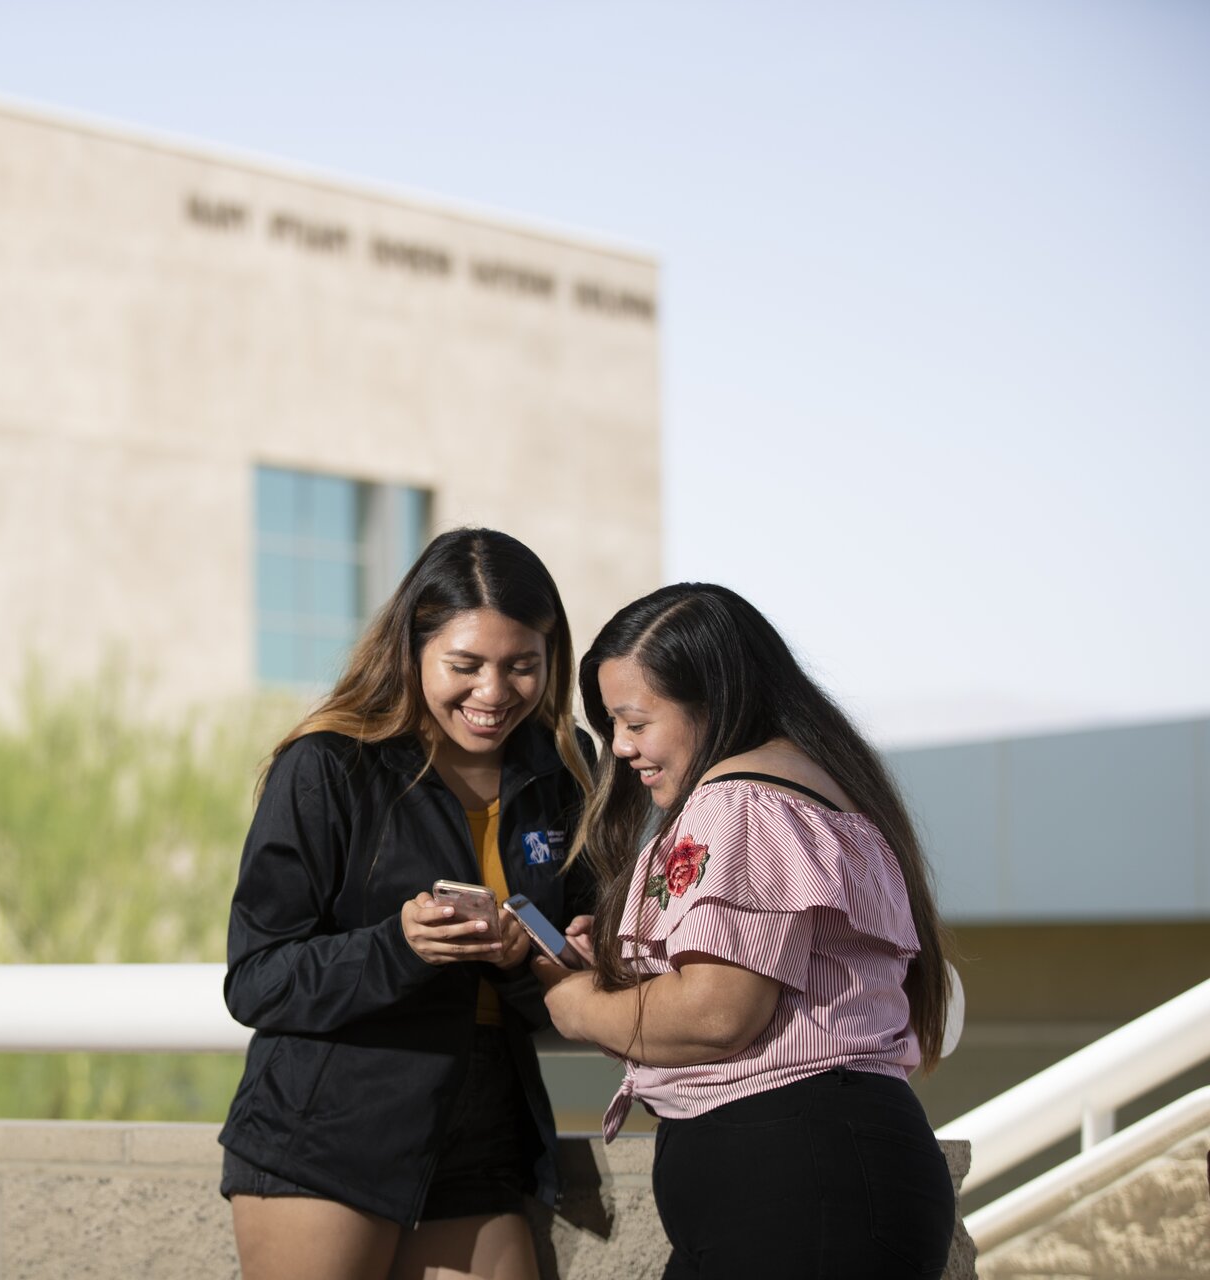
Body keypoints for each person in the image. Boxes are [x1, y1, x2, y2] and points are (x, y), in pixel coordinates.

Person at [534, 583, 959, 1279]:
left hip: (795, 1182)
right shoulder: (813, 789)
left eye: (637, 722)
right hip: (818, 1176)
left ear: (714, 699)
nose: (621, 747)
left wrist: (579, 1004)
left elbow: (716, 1013)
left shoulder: (737, 804)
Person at [220, 527, 597, 1280]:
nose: (494, 694)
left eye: (523, 665)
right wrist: (400, 946)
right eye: (465, 665)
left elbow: (573, 941)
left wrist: (542, 958)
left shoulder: (568, 770)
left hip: (488, 1116)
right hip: (329, 1128)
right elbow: (256, 977)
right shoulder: (328, 765)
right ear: (412, 650)